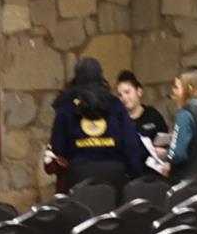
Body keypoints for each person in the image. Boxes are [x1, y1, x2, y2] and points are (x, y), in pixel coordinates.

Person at [47, 58, 149, 193]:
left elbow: (58, 146)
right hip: (114, 175)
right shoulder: (115, 104)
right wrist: (136, 176)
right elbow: (130, 145)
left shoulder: (66, 106)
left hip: (78, 174)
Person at [114, 72, 170, 155]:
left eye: (127, 92)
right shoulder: (117, 120)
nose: (124, 98)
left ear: (139, 91)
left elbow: (166, 141)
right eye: (120, 95)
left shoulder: (153, 115)